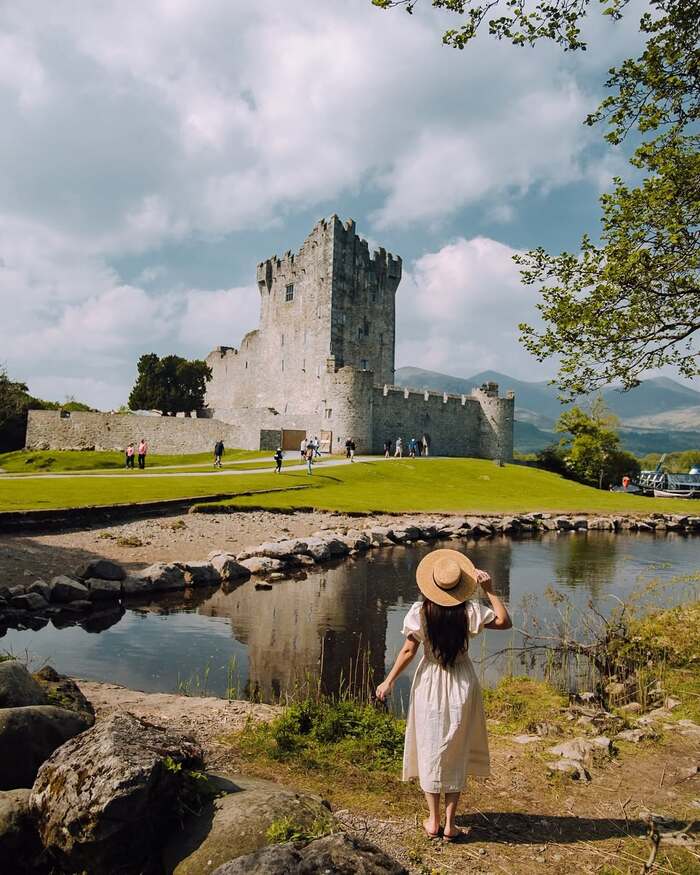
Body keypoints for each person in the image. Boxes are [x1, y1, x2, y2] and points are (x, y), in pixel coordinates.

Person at [376, 548, 511, 842]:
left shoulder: (419, 612)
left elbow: (409, 651)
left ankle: (433, 820)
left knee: (430, 746)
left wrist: (388, 681)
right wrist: (490, 591)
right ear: (460, 585)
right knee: (456, 748)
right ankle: (450, 824)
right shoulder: (471, 611)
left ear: (432, 584)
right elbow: (504, 621)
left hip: (429, 681)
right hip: (461, 681)